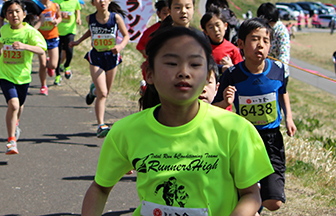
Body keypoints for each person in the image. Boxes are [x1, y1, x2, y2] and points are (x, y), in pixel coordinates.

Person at [82, 27, 274, 216]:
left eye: (195, 64)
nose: (183, 72)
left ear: (208, 76)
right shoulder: (125, 131)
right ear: (149, 74)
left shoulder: (235, 129)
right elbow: (100, 188)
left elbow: (251, 195)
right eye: (172, 63)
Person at [214, 18, 296, 212]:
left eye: (265, 40)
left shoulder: (279, 71)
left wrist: (289, 118)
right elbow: (214, 108)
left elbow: (282, 92)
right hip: (244, 139)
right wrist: (225, 103)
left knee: (273, 203)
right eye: (254, 39)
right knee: (249, 196)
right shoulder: (232, 75)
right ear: (241, 44)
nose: (261, 45)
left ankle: (256, 197)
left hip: (271, 139)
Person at [69, 0, 129, 138]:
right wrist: (78, 42)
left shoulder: (116, 18)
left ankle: (92, 91)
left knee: (105, 92)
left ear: (109, 0)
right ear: (93, 3)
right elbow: (91, 31)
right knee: (103, 93)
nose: (101, 0)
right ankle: (101, 125)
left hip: (112, 57)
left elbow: (126, 35)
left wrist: (120, 46)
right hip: (96, 57)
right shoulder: (90, 18)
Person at [0, 0, 46, 155]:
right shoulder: (5, 29)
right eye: (10, 12)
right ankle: (11, 141)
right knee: (13, 105)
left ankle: (16, 125)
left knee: (19, 106)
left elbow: (41, 50)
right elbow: (2, 42)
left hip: (23, 76)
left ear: (24, 14)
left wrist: (24, 46)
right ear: (6, 16)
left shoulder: (30, 32)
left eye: (17, 11)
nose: (14, 14)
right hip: (5, 73)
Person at [35, 0, 62, 92]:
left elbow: (60, 17)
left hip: (53, 36)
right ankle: (43, 85)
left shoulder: (55, 6)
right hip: (40, 38)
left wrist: (57, 21)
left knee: (53, 65)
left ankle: (49, 64)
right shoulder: (36, 6)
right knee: (42, 64)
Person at [200, 5, 243, 75]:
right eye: (211, 27)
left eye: (218, 25)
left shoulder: (233, 50)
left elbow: (241, 73)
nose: (216, 30)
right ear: (206, 32)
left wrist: (231, 67)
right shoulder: (202, 49)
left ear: (225, 26)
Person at [53, 0, 82, 80]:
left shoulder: (75, 0)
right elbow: (53, 15)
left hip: (70, 30)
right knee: (59, 55)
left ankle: (67, 66)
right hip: (58, 32)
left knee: (69, 51)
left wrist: (78, 18)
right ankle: (57, 75)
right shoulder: (56, 2)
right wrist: (60, 15)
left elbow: (77, 9)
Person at [257, 2, 291, 84]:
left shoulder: (281, 31)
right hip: (261, 72)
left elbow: (284, 56)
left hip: (277, 75)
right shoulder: (261, 29)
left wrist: (275, 72)